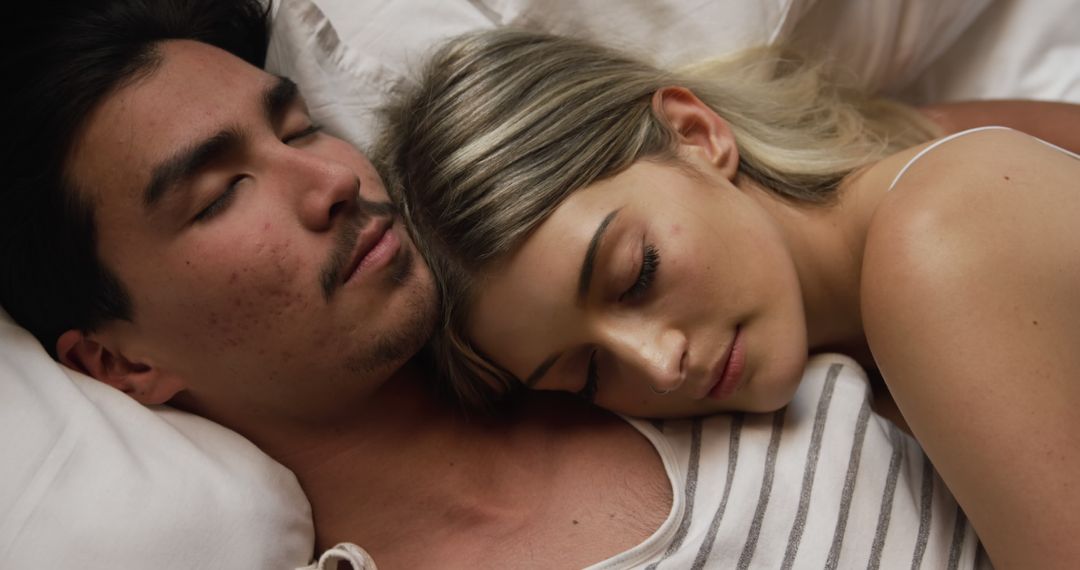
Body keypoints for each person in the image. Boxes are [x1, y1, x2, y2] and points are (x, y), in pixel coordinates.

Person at [0, 2, 1064, 568]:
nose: (329, 178)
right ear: (119, 362)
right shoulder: (582, 347)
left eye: (297, 127)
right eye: (221, 193)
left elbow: (912, 176)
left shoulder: (722, 285)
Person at [380, 30, 1080, 567]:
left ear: (696, 134)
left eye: (637, 275)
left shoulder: (931, 245)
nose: (660, 365)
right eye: (587, 373)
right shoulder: (919, 158)